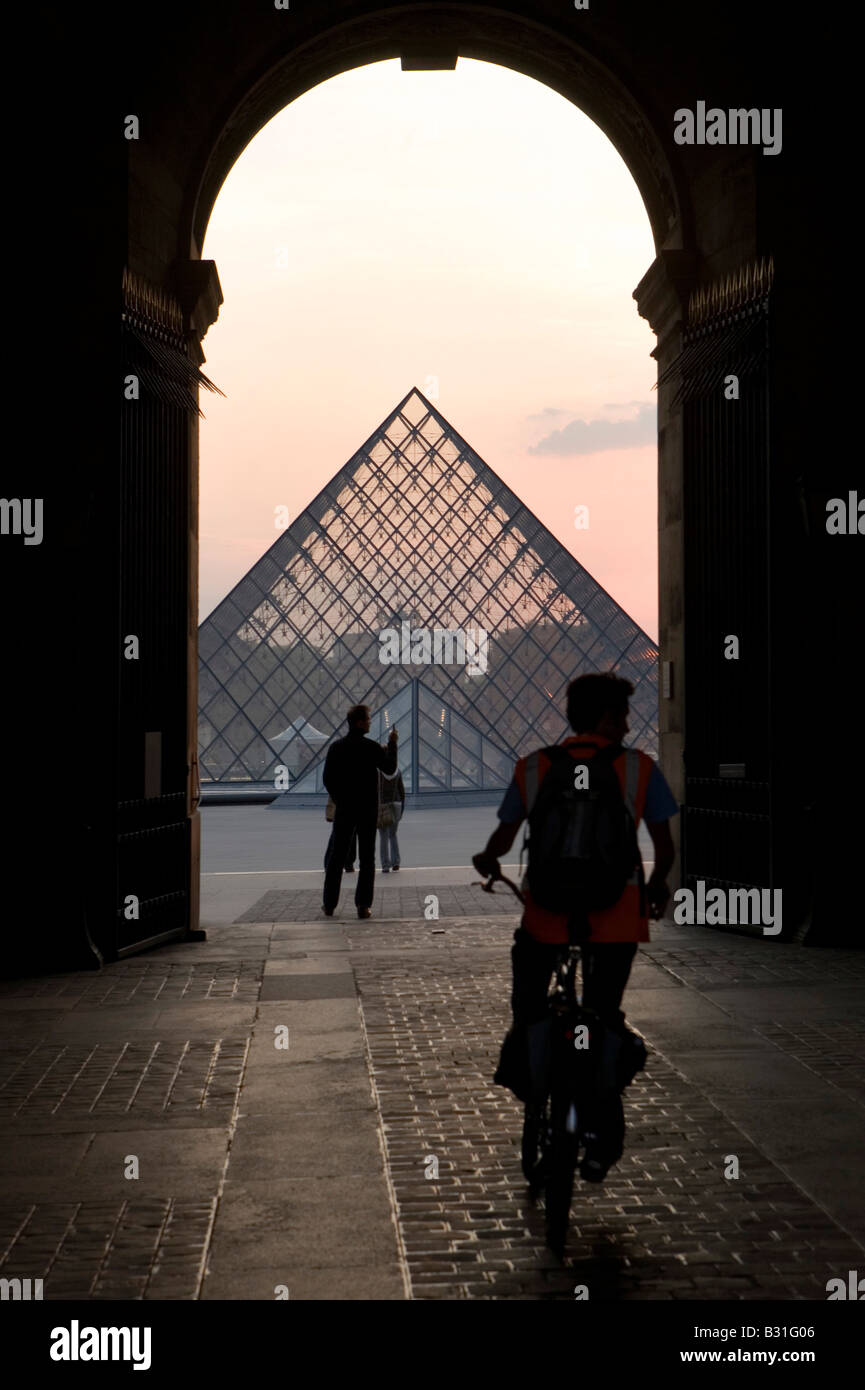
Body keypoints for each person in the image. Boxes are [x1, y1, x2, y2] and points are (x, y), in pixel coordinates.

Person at [473, 671, 677, 1177]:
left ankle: (535, 1084)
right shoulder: (639, 769)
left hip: (546, 918)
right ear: (607, 717)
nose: (629, 723)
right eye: (624, 714)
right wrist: (657, 885)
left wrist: (488, 859)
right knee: (602, 1017)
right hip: (614, 922)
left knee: (529, 1008)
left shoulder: (535, 767)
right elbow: (665, 847)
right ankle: (601, 1134)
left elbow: (501, 840)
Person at [322, 705, 398, 919]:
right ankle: (363, 906)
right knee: (367, 859)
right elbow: (390, 769)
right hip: (367, 809)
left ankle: (329, 904)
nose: (370, 722)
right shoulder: (371, 748)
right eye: (368, 719)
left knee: (337, 858)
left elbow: (327, 778)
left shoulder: (336, 748)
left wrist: (340, 799)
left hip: (345, 809)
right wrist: (392, 744)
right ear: (359, 722)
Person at [378, 765, 406, 872]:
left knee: (383, 836)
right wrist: (402, 809)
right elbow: (402, 791)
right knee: (393, 834)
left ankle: (385, 865)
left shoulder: (378, 772)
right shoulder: (397, 771)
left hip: (383, 806)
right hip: (397, 804)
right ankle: (396, 862)